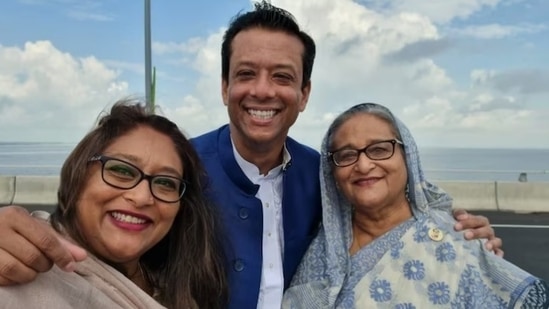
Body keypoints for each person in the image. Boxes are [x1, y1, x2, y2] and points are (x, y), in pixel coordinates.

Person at [0, 2, 501, 308]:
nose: (263, 91)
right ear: (224, 86)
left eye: (282, 76)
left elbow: (390, 223)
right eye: (245, 74)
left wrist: (460, 232)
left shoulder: (329, 175)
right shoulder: (177, 173)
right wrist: (14, 229)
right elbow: (97, 232)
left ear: (304, 94)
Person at [282, 103, 548, 308]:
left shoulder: (455, 245)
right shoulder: (318, 246)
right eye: (346, 154)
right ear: (332, 174)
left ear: (408, 156)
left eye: (379, 149)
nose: (363, 165)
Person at [0, 100, 227, 308]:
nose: (141, 197)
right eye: (121, 170)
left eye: (166, 183)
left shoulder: (175, 285)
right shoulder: (21, 272)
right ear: (78, 177)